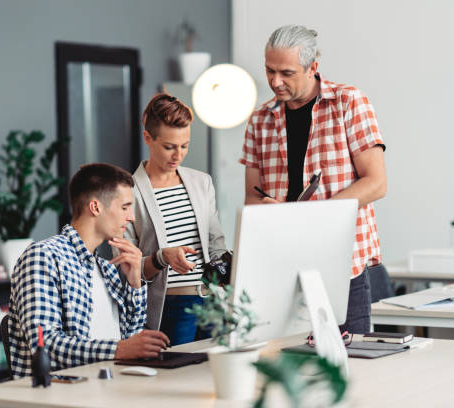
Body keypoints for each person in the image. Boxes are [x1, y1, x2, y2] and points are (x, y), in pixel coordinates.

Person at [240, 25, 387, 334]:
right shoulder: (259, 119)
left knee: (354, 363)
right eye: (269, 70)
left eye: (286, 73)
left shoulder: (349, 102)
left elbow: (376, 182)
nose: (275, 82)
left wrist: (319, 216)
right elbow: (251, 197)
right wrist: (266, 208)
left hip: (343, 263)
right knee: (288, 366)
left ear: (313, 68)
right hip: (283, 264)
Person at [7, 163, 170, 378]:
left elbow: (132, 343)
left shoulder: (107, 269)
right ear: (95, 207)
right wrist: (119, 349)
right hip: (62, 395)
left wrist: (134, 283)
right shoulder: (43, 256)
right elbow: (44, 345)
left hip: (113, 387)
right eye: (125, 207)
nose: (131, 217)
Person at [122, 93, 227, 345]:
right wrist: (162, 257)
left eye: (185, 146)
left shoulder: (202, 182)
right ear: (148, 138)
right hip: (169, 306)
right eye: (169, 147)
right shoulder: (127, 191)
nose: (178, 155)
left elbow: (216, 246)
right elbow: (127, 268)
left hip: (212, 304)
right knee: (177, 380)